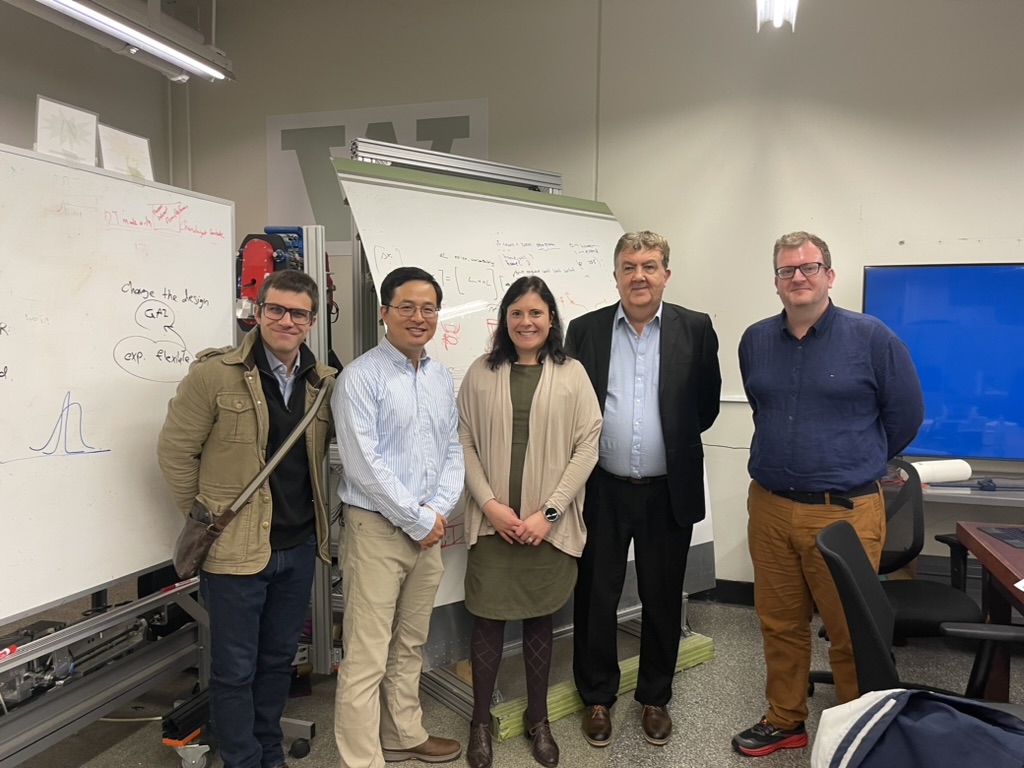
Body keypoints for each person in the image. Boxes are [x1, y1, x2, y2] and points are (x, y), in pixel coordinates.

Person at [732, 231, 924, 757]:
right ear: (775, 281)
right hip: (769, 506)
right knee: (779, 622)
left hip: (843, 513)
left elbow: (905, 416)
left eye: (809, 267)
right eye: (787, 270)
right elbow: (761, 405)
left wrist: (853, 457)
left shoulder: (872, 338)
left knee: (850, 631)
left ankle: (858, 729)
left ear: (829, 275)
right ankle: (786, 719)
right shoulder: (755, 340)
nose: (798, 277)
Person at [157, 270, 336, 768]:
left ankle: (269, 754)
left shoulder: (321, 383)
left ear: (312, 321)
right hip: (235, 549)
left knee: (277, 662)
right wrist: (204, 517)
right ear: (256, 312)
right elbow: (175, 452)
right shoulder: (215, 375)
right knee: (235, 669)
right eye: (275, 309)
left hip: (298, 548)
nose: (285, 320)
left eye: (298, 313)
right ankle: (241, 759)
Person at [566, 230, 722, 748]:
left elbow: (706, 407)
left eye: (650, 266)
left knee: (660, 597)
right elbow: (571, 407)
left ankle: (655, 697)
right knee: (596, 598)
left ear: (666, 275)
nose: (639, 275)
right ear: (615, 276)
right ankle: (597, 698)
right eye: (629, 266)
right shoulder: (584, 331)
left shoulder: (695, 329)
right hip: (601, 490)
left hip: (666, 491)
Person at [458, 276, 602, 768]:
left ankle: (537, 719)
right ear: (504, 320)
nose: (526, 322)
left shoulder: (573, 373)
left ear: (551, 320)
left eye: (536, 313)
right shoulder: (480, 372)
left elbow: (588, 446)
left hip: (548, 525)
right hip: (493, 522)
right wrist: (492, 506)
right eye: (517, 313)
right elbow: (464, 443)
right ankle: (480, 722)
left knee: (542, 616)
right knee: (488, 619)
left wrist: (550, 513)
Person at [332, 266, 465, 768]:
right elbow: (365, 466)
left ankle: (403, 733)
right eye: (406, 306)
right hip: (377, 531)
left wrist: (436, 512)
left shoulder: (438, 376)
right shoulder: (360, 377)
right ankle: (362, 760)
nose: (418, 317)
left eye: (428, 308)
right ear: (384, 311)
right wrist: (417, 518)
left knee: (409, 643)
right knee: (367, 655)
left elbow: (453, 449)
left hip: (426, 531)